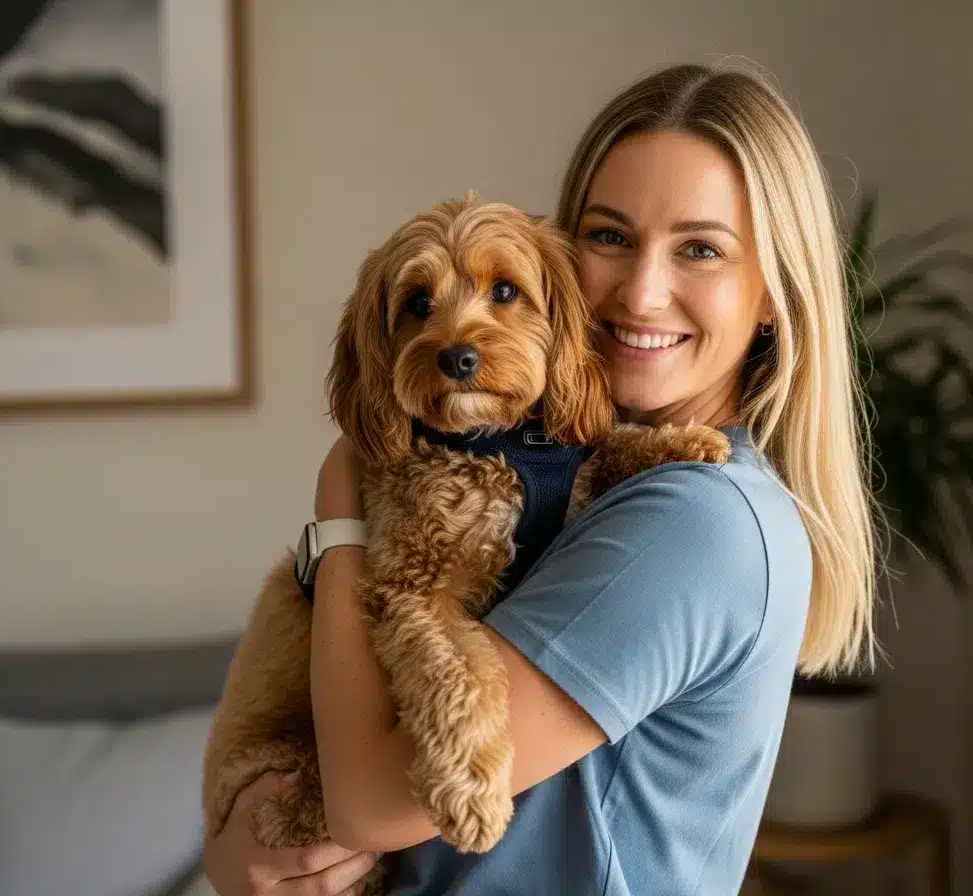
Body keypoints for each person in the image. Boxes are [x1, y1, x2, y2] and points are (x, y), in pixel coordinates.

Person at [204, 61, 877, 896]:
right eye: (610, 236)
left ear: (774, 290)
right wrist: (235, 852)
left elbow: (374, 810)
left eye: (700, 248)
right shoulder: (583, 475)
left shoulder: (696, 522)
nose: (641, 290)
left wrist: (340, 511)